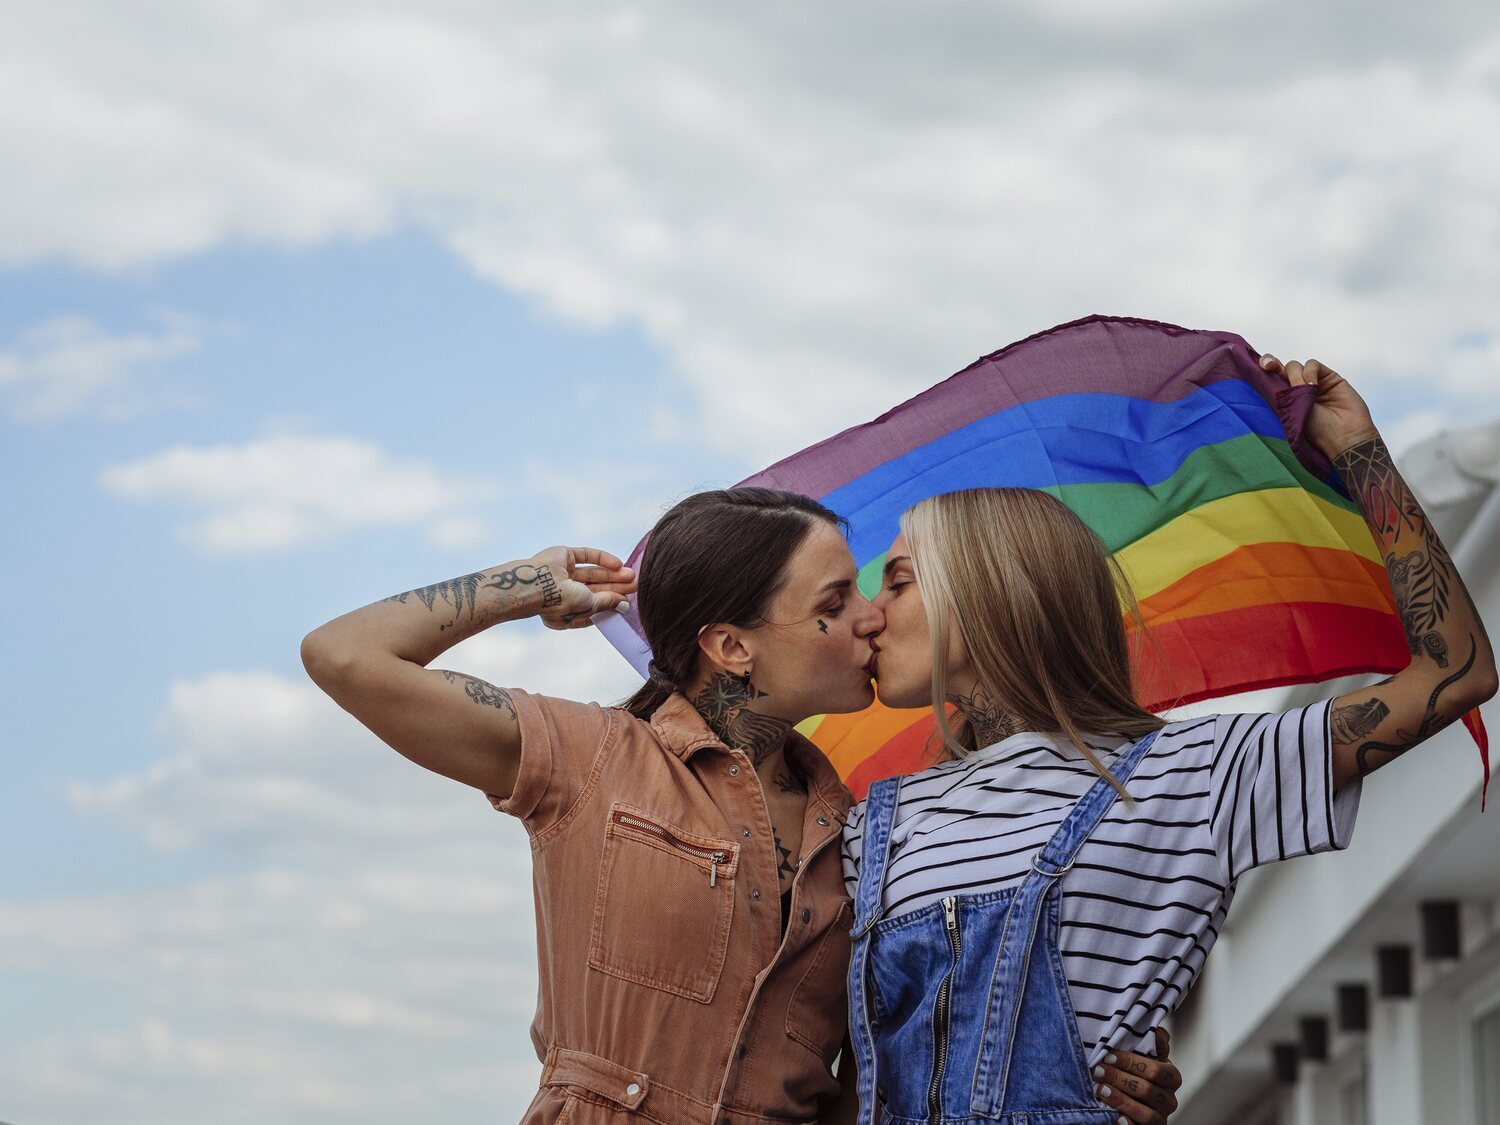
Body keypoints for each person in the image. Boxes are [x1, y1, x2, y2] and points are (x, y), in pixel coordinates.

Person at [301, 488, 1182, 1123]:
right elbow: (344, 654)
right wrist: (526, 584)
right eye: (835, 604)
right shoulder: (589, 757)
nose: (872, 620)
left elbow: (890, 1071)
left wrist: (1090, 1076)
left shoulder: (877, 836)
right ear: (731, 646)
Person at [842, 356, 1497, 1124]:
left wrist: (1359, 449)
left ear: (987, 590)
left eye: (896, 580)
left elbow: (1455, 671)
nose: (868, 614)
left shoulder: (1196, 775)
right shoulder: (872, 825)